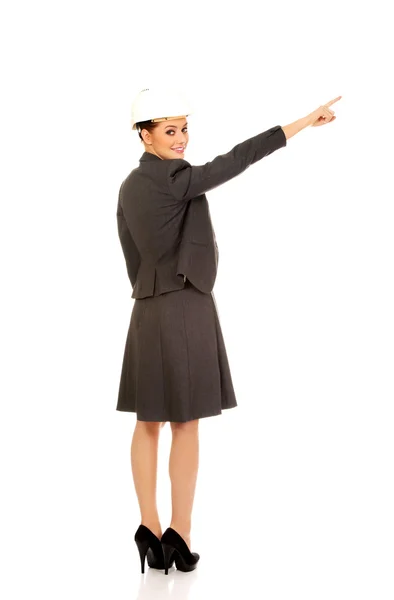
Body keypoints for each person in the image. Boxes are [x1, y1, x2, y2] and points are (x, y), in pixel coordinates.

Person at [116, 87, 342, 575]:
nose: (181, 139)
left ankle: (147, 530)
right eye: (170, 131)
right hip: (186, 305)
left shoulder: (129, 187)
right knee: (185, 422)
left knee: (146, 421)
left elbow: (130, 254)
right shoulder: (179, 180)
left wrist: (150, 287)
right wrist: (300, 123)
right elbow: (239, 158)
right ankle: (179, 532)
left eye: (183, 129)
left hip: (146, 309)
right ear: (144, 135)